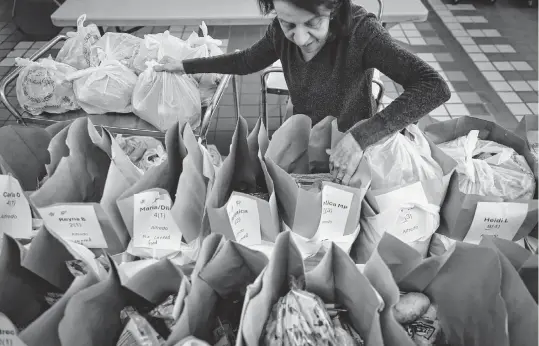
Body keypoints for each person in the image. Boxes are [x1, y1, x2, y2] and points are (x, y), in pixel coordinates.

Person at [155, 0, 451, 185]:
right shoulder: (278, 33)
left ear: (334, 8)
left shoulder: (362, 33)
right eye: (288, 23)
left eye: (313, 23)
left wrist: (362, 137)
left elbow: (433, 86)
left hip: (351, 149)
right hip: (305, 136)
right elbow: (246, 60)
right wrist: (186, 65)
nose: (299, 37)